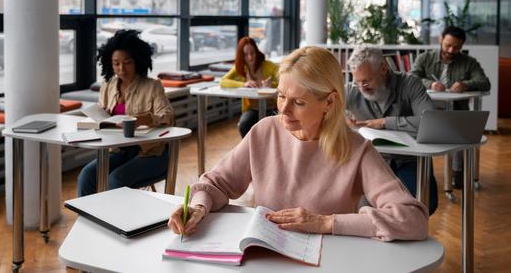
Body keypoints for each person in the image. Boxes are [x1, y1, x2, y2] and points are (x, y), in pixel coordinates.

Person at [169, 47, 428, 241]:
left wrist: (325, 223)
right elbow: (215, 183)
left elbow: (413, 219)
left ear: (329, 102)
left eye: (299, 102)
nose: (284, 110)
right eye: (281, 96)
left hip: (329, 262)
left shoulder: (357, 149)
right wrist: (198, 207)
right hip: (266, 256)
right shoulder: (264, 132)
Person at [77, 29, 174, 197]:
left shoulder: (152, 86)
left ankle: (117, 222)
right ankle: (90, 220)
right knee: (87, 176)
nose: (121, 68)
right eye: (116, 63)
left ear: (137, 61)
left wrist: (144, 119)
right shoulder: (108, 85)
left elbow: (168, 116)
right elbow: (104, 115)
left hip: (152, 153)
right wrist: (104, 114)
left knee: (116, 180)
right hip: (120, 151)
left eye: (127, 62)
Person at [345, 46, 438, 214]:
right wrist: (340, 119)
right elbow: (322, 105)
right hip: (373, 161)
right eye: (356, 81)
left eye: (366, 81)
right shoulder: (352, 89)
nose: (361, 87)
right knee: (364, 209)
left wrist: (384, 122)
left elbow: (431, 121)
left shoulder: (410, 83)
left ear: (383, 68)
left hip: (410, 159)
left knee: (425, 205)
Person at [410, 26, 491, 188]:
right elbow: (411, 77)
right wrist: (431, 83)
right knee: (418, 132)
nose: (451, 49)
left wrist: (465, 85)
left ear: (462, 46)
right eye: (448, 45)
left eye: (456, 47)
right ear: (440, 39)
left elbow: (484, 82)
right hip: (427, 109)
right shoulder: (425, 58)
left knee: (461, 132)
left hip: (456, 110)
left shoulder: (469, 62)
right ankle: (420, 174)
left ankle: (458, 173)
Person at [220, 36, 279, 137]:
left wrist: (272, 85)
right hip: (252, 108)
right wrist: (243, 84)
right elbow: (223, 81)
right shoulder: (241, 68)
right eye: (246, 54)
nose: (250, 57)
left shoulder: (268, 65)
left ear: (257, 51)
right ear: (241, 56)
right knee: (244, 125)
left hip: (272, 107)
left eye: (252, 53)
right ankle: (249, 150)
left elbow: (285, 79)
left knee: (269, 130)